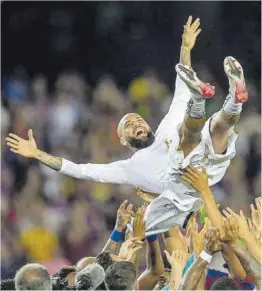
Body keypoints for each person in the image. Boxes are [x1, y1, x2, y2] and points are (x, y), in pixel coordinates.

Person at [6, 16, 248, 235]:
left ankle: (234, 97)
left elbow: (181, 84)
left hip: (206, 170)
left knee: (216, 127)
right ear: (123, 140)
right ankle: (201, 100)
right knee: (194, 132)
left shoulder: (165, 127)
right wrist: (37, 153)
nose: (136, 123)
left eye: (137, 119)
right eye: (128, 125)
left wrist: (185, 48)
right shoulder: (128, 168)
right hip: (185, 185)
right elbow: (80, 170)